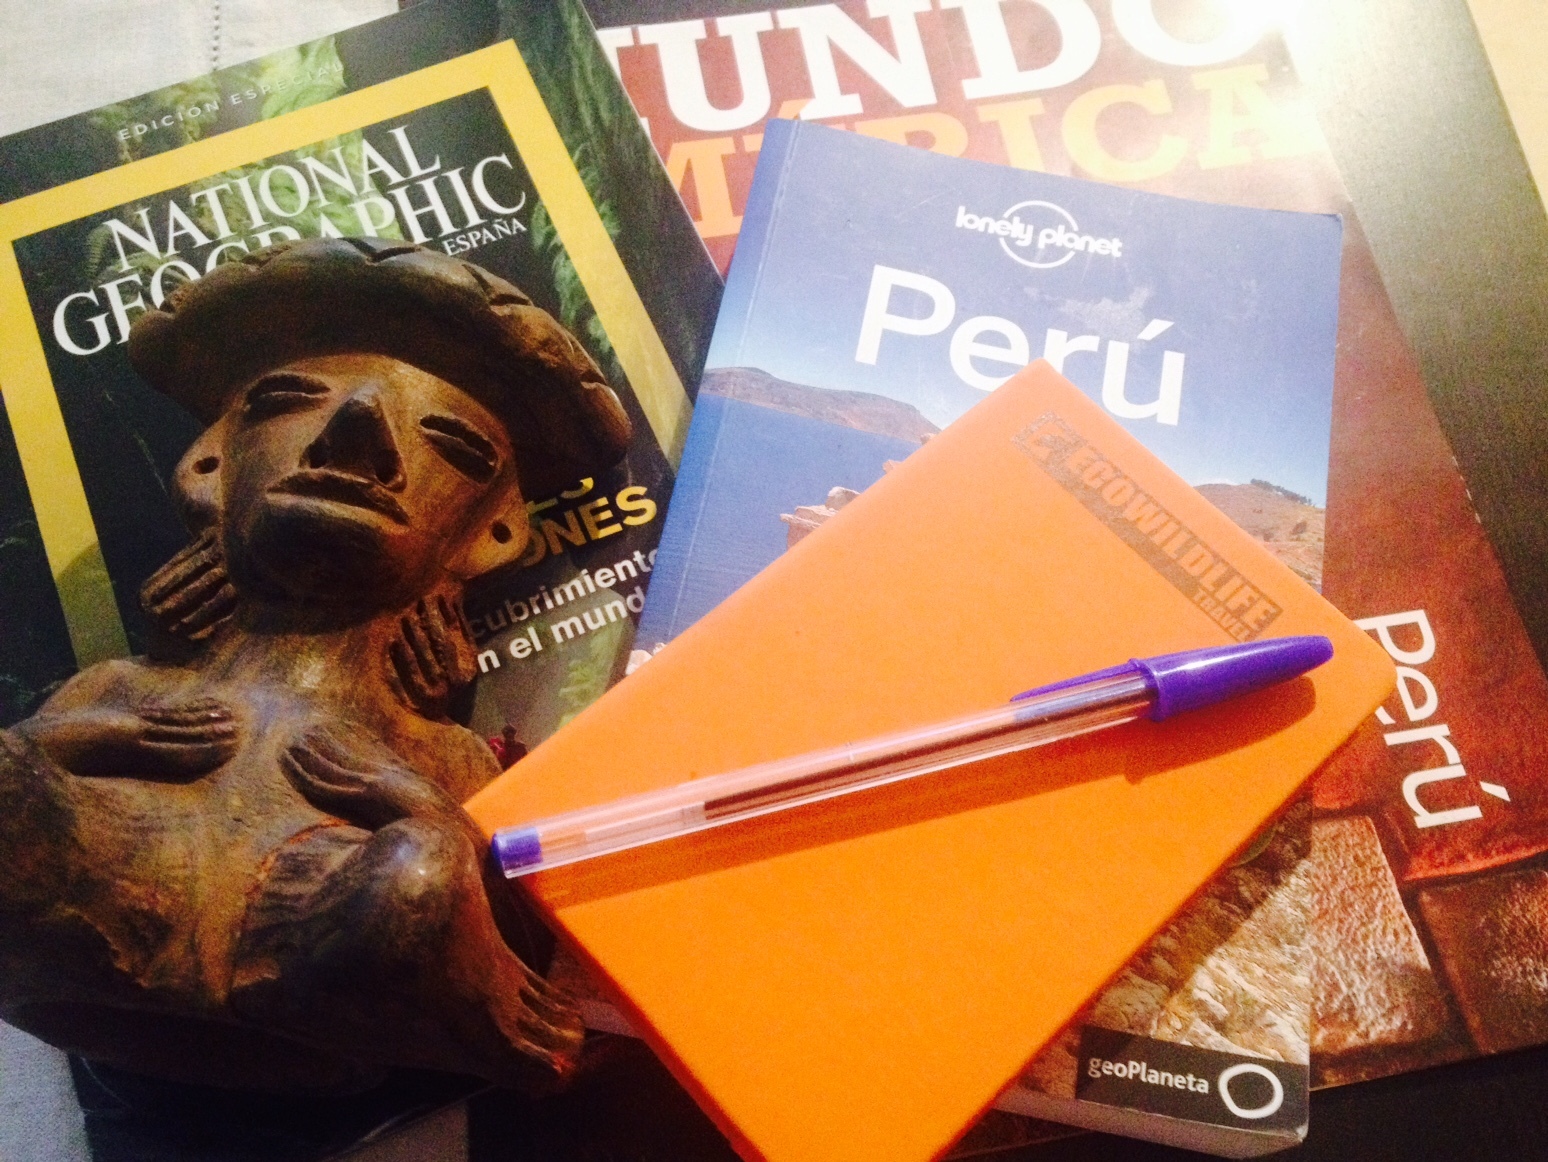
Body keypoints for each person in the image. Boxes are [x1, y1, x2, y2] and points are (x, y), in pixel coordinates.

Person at [0, 237, 632, 1092]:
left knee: (421, 877)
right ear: (209, 465)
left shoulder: (437, 747)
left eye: (450, 444)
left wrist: (400, 796)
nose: (358, 429)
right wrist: (120, 735)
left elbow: (459, 872)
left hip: (314, 961)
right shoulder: (124, 688)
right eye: (291, 401)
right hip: (79, 938)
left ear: (492, 534)